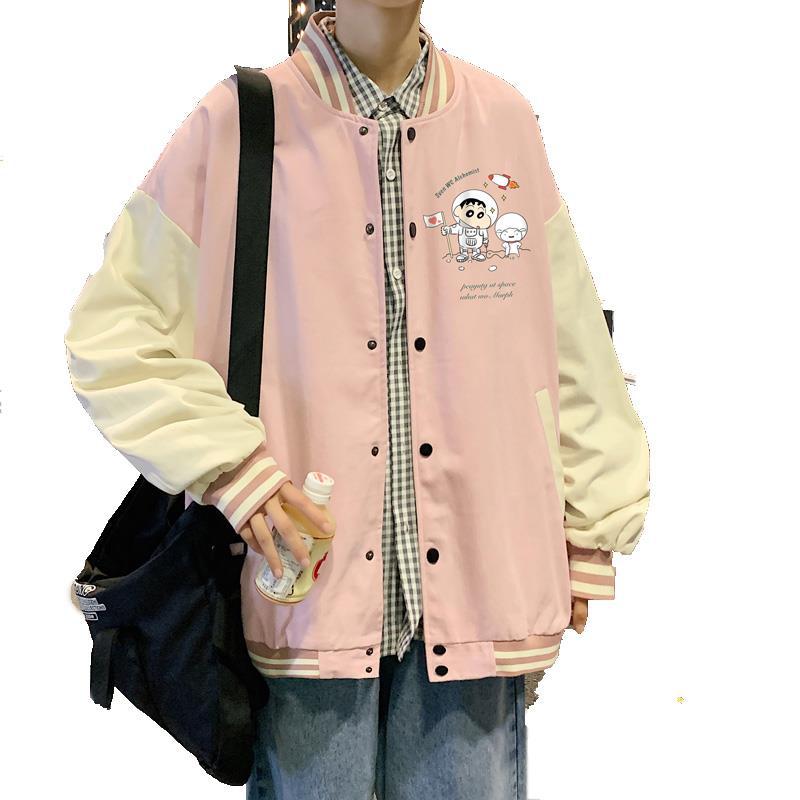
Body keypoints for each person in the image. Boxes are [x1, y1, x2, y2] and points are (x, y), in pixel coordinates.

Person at [63, 2, 651, 798]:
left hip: (483, 580)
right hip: (307, 593)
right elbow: (113, 329)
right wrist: (233, 468)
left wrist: (592, 522)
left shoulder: (501, 120)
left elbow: (569, 339)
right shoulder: (239, 123)